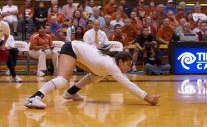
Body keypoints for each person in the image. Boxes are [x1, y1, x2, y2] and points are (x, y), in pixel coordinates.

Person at [24, 41, 160, 109]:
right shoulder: (110, 65)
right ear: (120, 61)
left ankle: (70, 93)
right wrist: (147, 98)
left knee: (98, 75)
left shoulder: (109, 65)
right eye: (128, 64)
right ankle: (33, 98)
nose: (130, 67)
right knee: (63, 80)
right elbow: (128, 85)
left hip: (80, 54)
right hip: (71, 48)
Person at [0, 12, 22, 82]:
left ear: (1, 17)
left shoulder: (4, 24)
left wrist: (3, 44)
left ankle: (14, 76)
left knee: (9, 57)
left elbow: (6, 35)